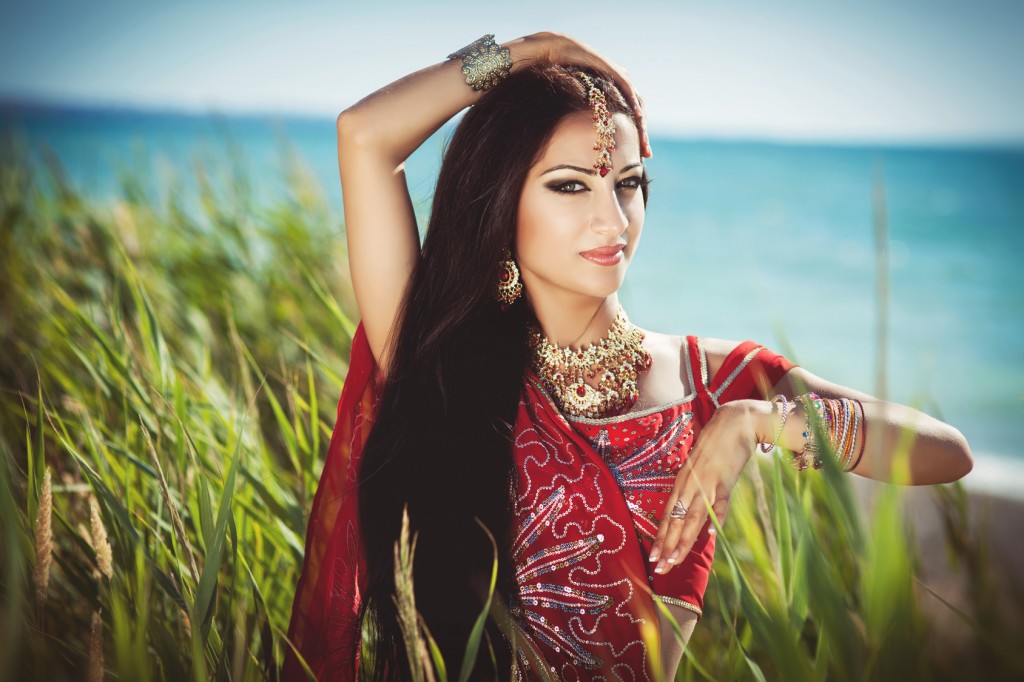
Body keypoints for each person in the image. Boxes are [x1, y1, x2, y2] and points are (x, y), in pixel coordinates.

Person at [281, 32, 974, 681]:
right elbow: (364, 135)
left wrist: (761, 422)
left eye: (629, 183)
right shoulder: (441, 363)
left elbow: (945, 452)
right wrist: (530, 51)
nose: (613, 220)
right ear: (499, 201)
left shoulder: (708, 379)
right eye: (570, 185)